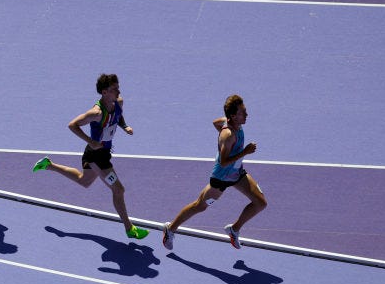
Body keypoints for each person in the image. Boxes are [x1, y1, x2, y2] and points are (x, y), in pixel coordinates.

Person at [32, 74, 149, 240]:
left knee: (84, 181)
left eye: (118, 87)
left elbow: (118, 114)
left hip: (103, 153)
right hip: (95, 156)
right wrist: (90, 141)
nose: (118, 90)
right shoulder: (96, 113)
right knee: (118, 189)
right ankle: (129, 228)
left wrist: (124, 126)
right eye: (114, 88)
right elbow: (72, 125)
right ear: (104, 92)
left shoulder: (118, 102)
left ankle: (48, 165)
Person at [162, 94, 267, 250]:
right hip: (221, 178)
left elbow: (216, 122)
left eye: (245, 111)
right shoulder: (228, 135)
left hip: (237, 174)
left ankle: (234, 229)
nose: (246, 115)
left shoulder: (232, 124)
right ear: (233, 115)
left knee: (260, 203)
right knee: (200, 206)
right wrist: (244, 151)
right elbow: (223, 162)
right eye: (242, 112)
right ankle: (170, 229)